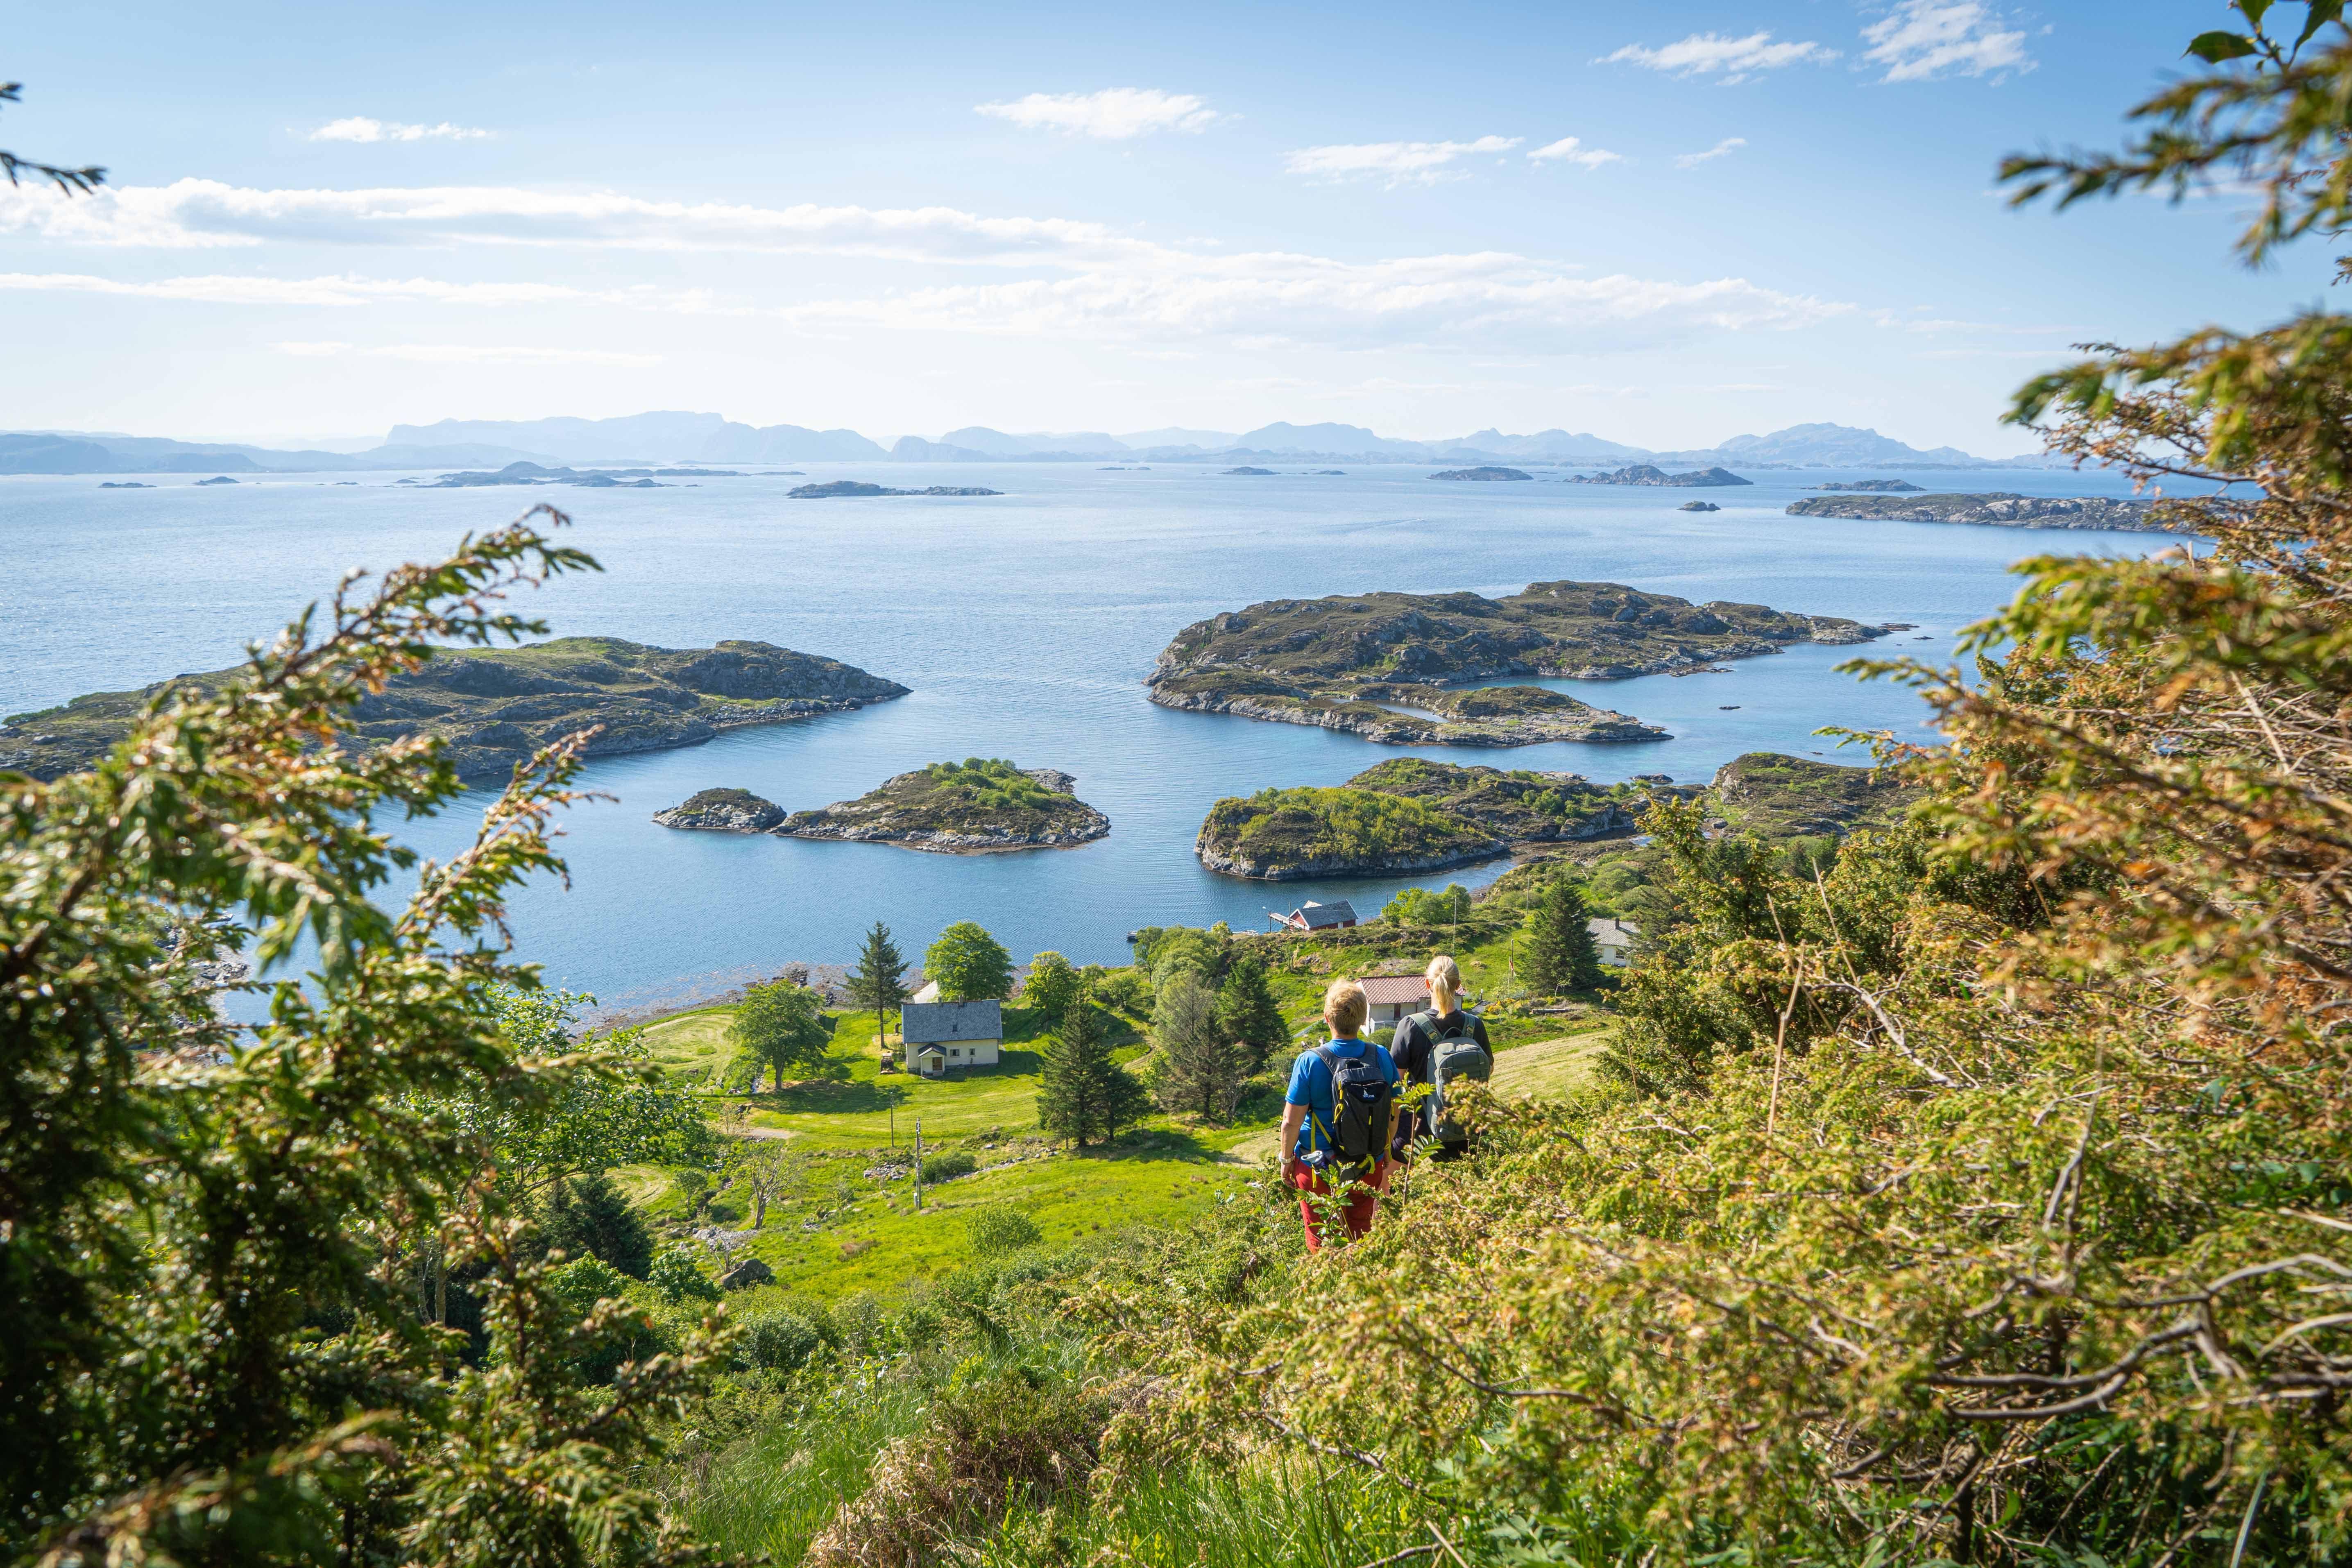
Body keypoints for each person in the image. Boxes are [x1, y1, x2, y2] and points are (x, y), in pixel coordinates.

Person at [1278, 978, 1399, 1253]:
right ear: (1363, 1018)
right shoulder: (1381, 1056)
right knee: (1362, 1241)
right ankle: (1361, 1289)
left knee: (1323, 1245)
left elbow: (1291, 1122)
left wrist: (1286, 1161)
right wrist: (1384, 1156)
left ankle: (1330, 1291)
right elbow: (1394, 1113)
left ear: (1326, 1018)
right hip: (1368, 1166)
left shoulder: (1310, 1061)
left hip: (1318, 1172)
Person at [1389, 954, 1491, 1163]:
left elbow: (1394, 1084)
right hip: (1470, 1132)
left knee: (1388, 1175)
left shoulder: (1410, 1026)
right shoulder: (1475, 1025)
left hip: (1424, 1135)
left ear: (1427, 984)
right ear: (1459, 986)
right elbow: (1487, 1070)